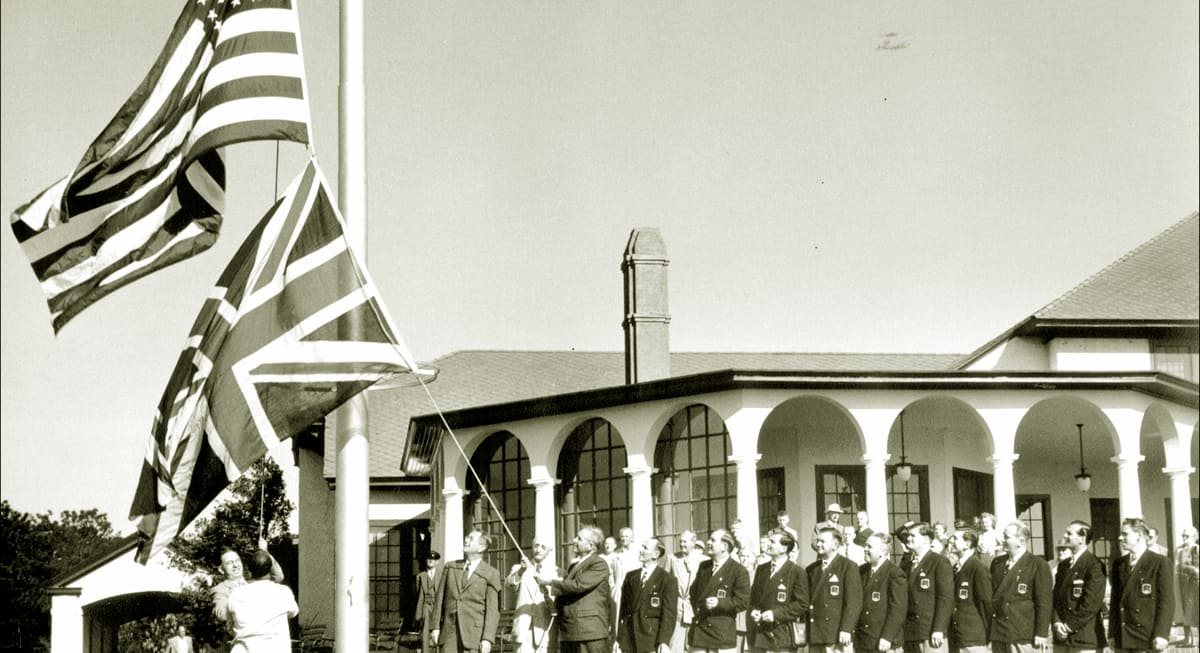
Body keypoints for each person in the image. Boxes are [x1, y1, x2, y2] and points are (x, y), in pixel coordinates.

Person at [539, 525, 612, 653]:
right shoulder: (574, 565)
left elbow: (579, 585)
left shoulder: (599, 563)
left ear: (591, 546)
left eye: (579, 538)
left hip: (589, 632)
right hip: (571, 631)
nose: (574, 540)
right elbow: (568, 589)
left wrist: (550, 582)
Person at [1108, 518, 1174, 652]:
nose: (1120, 538)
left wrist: (1162, 634)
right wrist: (1112, 633)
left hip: (1146, 638)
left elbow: (1166, 602)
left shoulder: (1159, 562)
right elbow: (1115, 602)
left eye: (1125, 534)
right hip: (1123, 637)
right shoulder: (1119, 564)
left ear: (1139, 536)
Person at [431, 530, 503, 653]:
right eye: (466, 537)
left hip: (474, 637)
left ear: (481, 547)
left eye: (470, 538)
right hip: (449, 635)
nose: (466, 540)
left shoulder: (491, 573)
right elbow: (439, 600)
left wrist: (487, 638)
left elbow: (492, 610)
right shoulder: (451, 567)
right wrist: (435, 627)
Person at [988, 521, 1052, 653]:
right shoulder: (997, 563)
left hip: (1022, 633)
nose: (1002, 540)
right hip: (999, 632)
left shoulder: (1038, 565)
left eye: (1007, 537)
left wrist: (1041, 632)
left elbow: (1044, 602)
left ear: (1021, 541)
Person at [689, 528, 751, 653]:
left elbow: (743, 601)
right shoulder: (704, 567)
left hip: (721, 637)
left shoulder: (738, 571)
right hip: (700, 633)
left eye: (712, 540)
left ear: (724, 546)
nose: (708, 543)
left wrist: (719, 603)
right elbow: (693, 593)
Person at [747, 529, 809, 653]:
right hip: (759, 636)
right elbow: (753, 597)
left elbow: (801, 604)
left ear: (783, 548)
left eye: (772, 542)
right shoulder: (761, 569)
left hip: (782, 637)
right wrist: (754, 610)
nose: (768, 544)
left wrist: (775, 614)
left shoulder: (796, 572)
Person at [226, 549, 298, 653]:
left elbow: (230, 628)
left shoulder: (235, 595)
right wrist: (266, 551)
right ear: (270, 569)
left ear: (250, 570)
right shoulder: (284, 592)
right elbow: (293, 613)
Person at [1051, 521, 1106, 653]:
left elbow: (1091, 604)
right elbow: (1056, 598)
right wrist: (1056, 622)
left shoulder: (1094, 565)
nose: (1065, 535)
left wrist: (1068, 627)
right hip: (1061, 639)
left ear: (1082, 539)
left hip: (1084, 638)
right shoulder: (1063, 565)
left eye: (1069, 533)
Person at [807, 526, 863, 653]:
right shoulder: (812, 569)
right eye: (818, 541)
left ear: (835, 545)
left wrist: (847, 628)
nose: (818, 544)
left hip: (837, 635)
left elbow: (853, 602)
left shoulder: (848, 567)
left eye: (823, 541)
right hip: (816, 635)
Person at [617, 538, 678, 653]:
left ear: (655, 554)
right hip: (628, 642)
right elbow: (623, 612)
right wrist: (619, 639)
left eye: (645, 548)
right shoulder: (630, 576)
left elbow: (669, 615)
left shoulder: (667, 580)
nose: (640, 550)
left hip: (650, 641)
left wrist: (663, 641)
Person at [900, 523, 953, 653]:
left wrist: (939, 629)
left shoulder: (939, 562)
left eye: (913, 536)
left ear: (925, 539)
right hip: (910, 632)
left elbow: (945, 598)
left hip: (930, 632)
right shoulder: (907, 564)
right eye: (908, 535)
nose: (908, 539)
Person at [856, 532, 906, 653]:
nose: (865, 549)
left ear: (883, 552)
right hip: (864, 641)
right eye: (865, 546)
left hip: (884, 642)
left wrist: (887, 637)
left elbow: (898, 609)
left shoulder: (894, 573)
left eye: (870, 547)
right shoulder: (861, 571)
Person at [211, 543, 285, 626]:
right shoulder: (220, 589)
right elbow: (222, 614)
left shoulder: (253, 581)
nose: (235, 565)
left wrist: (265, 552)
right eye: (229, 563)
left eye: (237, 560)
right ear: (221, 569)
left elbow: (278, 577)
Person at [508, 540, 559, 653]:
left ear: (549, 551)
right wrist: (521, 570)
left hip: (545, 630)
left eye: (543, 547)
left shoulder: (557, 572)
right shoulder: (518, 568)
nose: (538, 549)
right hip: (523, 631)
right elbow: (510, 585)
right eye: (536, 546)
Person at [948, 529, 991, 653]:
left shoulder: (977, 568)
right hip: (958, 636)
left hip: (973, 637)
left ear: (967, 544)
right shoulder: (956, 567)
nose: (951, 541)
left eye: (955, 539)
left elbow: (985, 603)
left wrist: (989, 634)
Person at [670, 531, 708, 653]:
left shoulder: (704, 560)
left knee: (696, 648)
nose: (681, 544)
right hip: (678, 611)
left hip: (697, 610)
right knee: (676, 647)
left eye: (684, 541)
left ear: (693, 542)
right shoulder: (673, 558)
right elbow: (666, 583)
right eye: (680, 541)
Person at [1175, 526, 1198, 647]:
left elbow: (1197, 568)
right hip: (1182, 583)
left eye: (1187, 536)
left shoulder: (1196, 549)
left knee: (1196, 608)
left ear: (1194, 537)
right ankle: (1187, 638)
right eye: (1183, 536)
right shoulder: (1179, 550)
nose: (1184, 538)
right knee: (1184, 610)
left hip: (1194, 584)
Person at [417, 550, 443, 653]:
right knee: (425, 634)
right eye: (429, 559)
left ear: (437, 562)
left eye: (433, 559)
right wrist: (419, 613)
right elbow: (419, 596)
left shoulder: (442, 575)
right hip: (426, 607)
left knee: (439, 632)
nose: (431, 561)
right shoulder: (420, 576)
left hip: (438, 606)